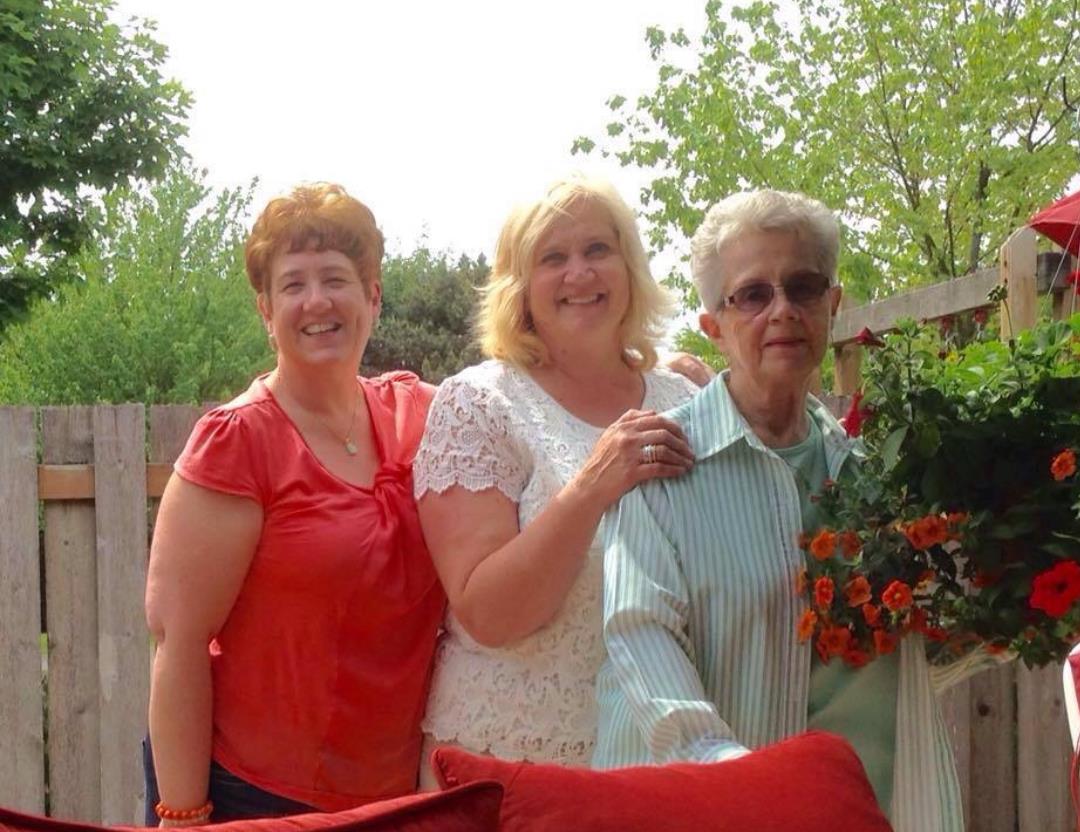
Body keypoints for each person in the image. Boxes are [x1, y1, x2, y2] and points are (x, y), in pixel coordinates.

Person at [592, 190, 967, 832]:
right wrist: (736, 775)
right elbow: (640, 636)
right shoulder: (660, 465)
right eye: (752, 294)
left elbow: (911, 649)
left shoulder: (872, 473)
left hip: (867, 808)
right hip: (707, 809)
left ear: (833, 303)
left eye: (803, 286)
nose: (783, 310)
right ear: (713, 324)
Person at [143, 183, 444, 824]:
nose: (316, 301)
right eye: (293, 285)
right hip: (251, 795)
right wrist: (183, 815)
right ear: (266, 310)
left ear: (373, 297)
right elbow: (179, 640)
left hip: (396, 798)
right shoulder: (239, 442)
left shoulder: (419, 414)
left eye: (335, 278)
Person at [412, 175, 700, 784]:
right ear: (519, 286)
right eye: (552, 258)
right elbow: (488, 613)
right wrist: (592, 486)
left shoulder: (684, 401)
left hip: (653, 765)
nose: (579, 273)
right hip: (504, 766)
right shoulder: (479, 404)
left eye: (598, 249)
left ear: (629, 267)